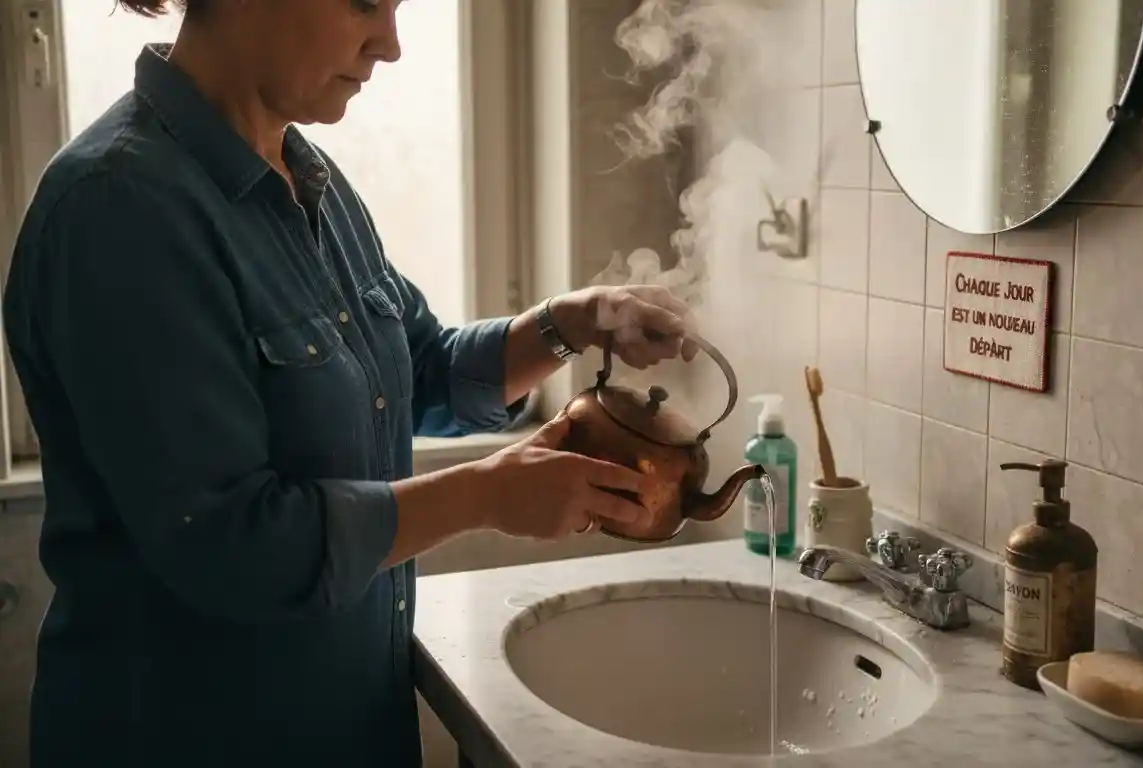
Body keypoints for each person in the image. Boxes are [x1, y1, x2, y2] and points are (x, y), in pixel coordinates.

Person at [1, 1, 694, 766]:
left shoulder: (306, 181)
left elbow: (419, 368)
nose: (390, 46)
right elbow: (230, 544)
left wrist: (577, 320)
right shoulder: (118, 208)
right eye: (366, 3)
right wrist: (487, 494)